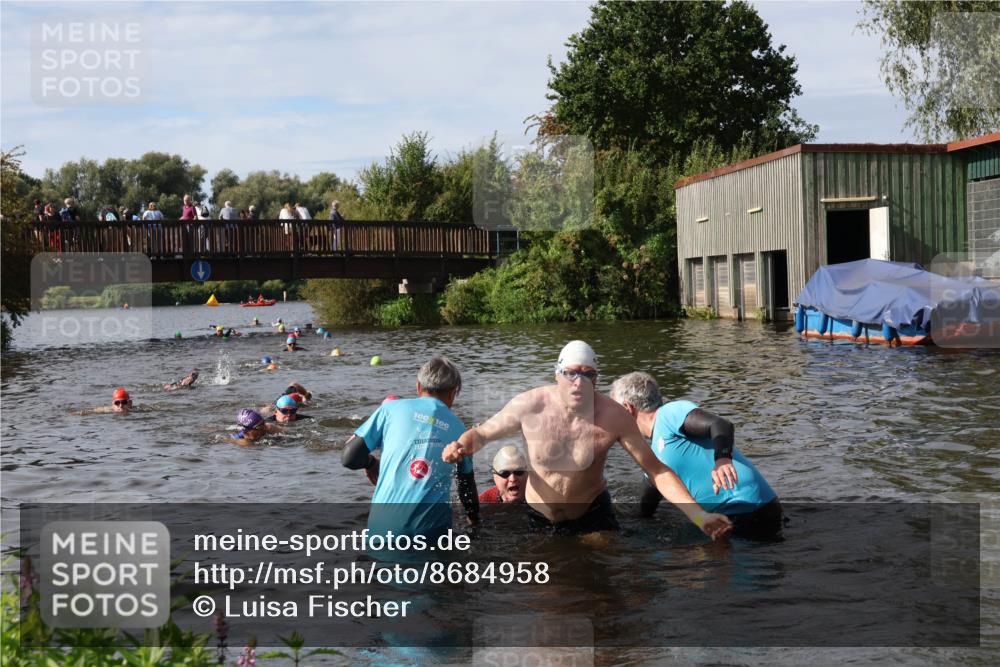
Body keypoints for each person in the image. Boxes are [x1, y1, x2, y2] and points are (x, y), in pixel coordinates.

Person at [442, 341, 732, 539]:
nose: (578, 382)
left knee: (602, 590)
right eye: (570, 374)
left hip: (592, 515)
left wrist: (699, 516)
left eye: (587, 375)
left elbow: (657, 470)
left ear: (596, 378)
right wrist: (461, 445)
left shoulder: (614, 417)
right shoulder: (529, 406)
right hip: (539, 517)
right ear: (557, 375)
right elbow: (481, 434)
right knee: (546, 600)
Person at [610, 372, 783, 539]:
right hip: (735, 518)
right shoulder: (653, 453)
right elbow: (649, 502)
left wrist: (722, 459)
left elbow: (720, 424)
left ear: (627, 408)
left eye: (614, 411)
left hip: (745, 509)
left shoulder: (669, 414)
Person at [342, 357, 479, 538]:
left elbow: (349, 458)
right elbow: (466, 487)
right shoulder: (460, 429)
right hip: (431, 533)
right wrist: (475, 523)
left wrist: (370, 463)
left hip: (382, 530)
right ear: (454, 392)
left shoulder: (390, 409)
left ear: (418, 387)